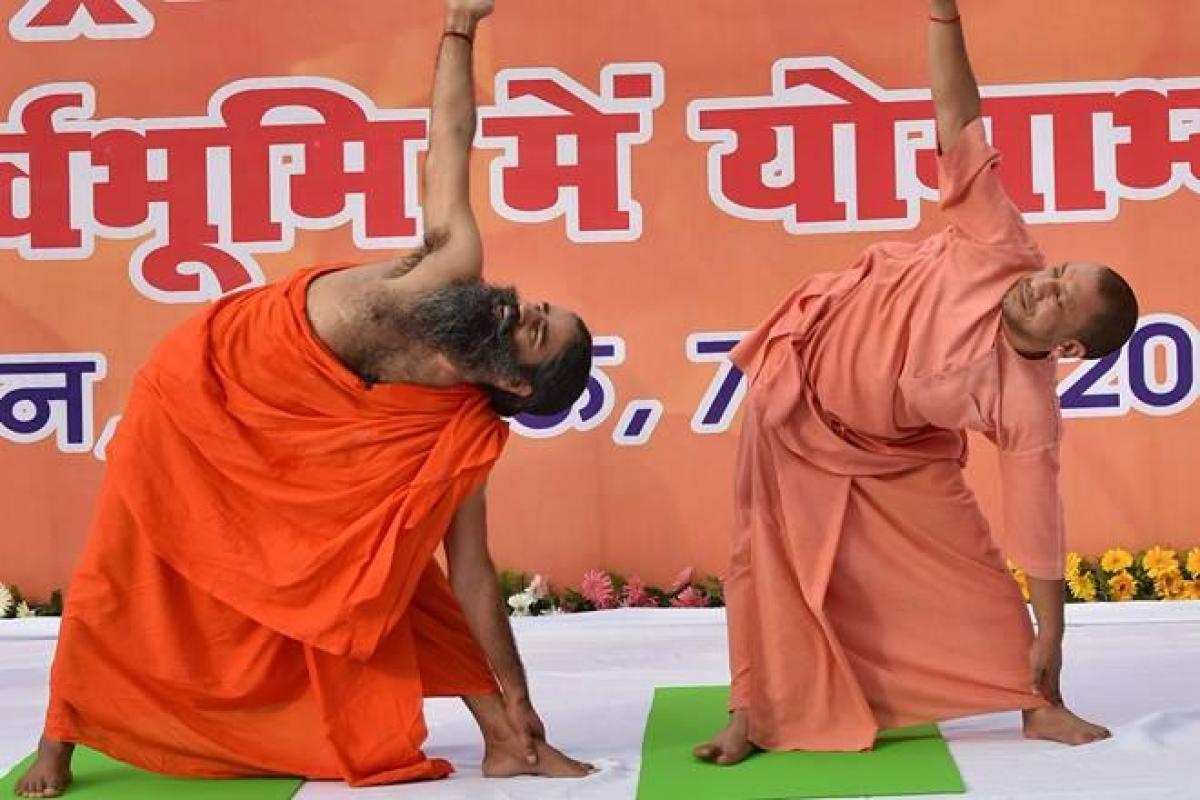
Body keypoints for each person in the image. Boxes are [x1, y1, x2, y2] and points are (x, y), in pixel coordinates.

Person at [17, 0, 594, 796]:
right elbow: (450, 139)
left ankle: (508, 737)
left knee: (386, 573)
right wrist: (460, 26)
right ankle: (60, 739)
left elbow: (471, 577)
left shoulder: (455, 430)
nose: (525, 309)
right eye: (539, 306)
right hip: (204, 385)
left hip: (295, 436)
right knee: (127, 566)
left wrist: (524, 697)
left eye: (537, 332)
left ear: (515, 384)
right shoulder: (452, 263)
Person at [694, 0, 1137, 765]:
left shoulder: (1028, 405)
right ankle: (749, 715)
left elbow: (1038, 531)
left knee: (974, 574)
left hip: (890, 449)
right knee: (760, 557)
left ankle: (1041, 703)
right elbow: (959, 118)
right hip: (794, 387)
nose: (1045, 284)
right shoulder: (1002, 243)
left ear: (1067, 344)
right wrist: (944, 17)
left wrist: (1054, 638)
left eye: (1063, 297)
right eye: (1060, 273)